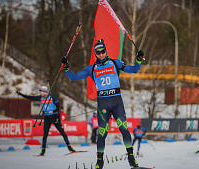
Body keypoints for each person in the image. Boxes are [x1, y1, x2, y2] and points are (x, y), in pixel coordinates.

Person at [61, 39, 144, 169]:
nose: (101, 54)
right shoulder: (91, 68)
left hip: (117, 102)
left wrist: (138, 60)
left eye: (103, 51)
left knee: (124, 129)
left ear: (106, 51)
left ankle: (131, 159)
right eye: (98, 52)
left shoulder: (115, 63)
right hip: (103, 104)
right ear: (95, 53)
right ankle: (99, 161)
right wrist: (66, 67)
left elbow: (134, 69)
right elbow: (74, 77)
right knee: (102, 133)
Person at [16, 86, 75, 156]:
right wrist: (21, 94)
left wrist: (58, 118)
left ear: (45, 92)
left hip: (54, 116)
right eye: (40, 92)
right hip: (47, 118)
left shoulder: (52, 97)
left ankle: (69, 147)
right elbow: (31, 97)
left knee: (63, 133)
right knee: (45, 135)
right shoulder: (40, 98)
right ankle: (43, 151)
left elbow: (58, 107)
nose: (40, 93)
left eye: (41, 92)